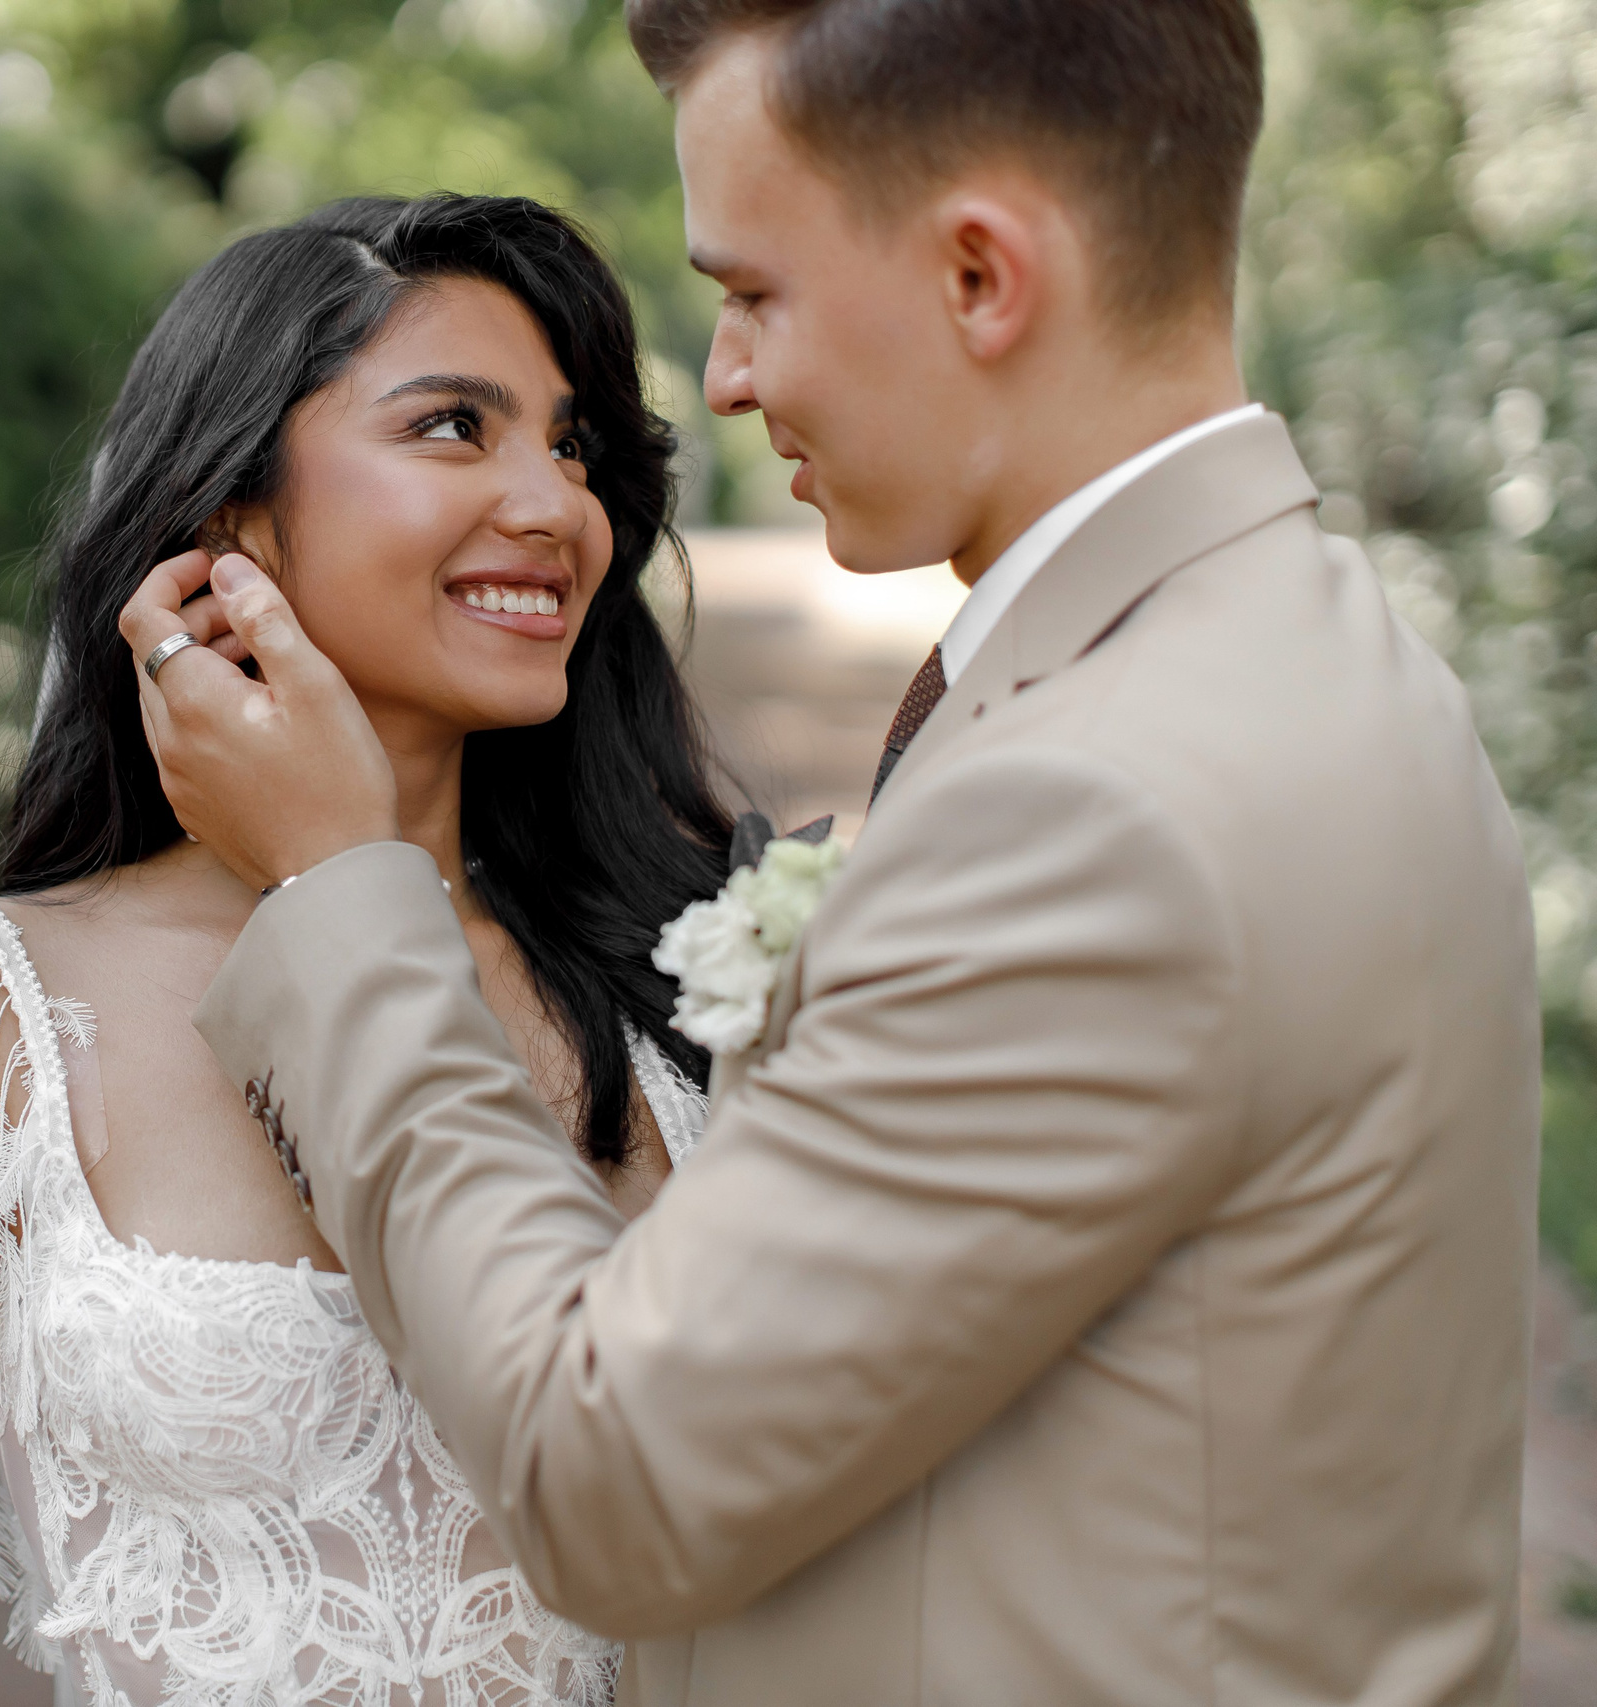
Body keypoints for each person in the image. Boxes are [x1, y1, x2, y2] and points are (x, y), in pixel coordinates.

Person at [119, 2, 1543, 1703]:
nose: (723, 379)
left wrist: (343, 890)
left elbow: (613, 1476)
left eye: (753, 294)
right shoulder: (1320, 659)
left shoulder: (1099, 804)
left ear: (980, 276)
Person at [0, 194, 744, 1707]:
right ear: (227, 514)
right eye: (452, 427)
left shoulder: (692, 970)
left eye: (571, 447)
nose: (556, 505)